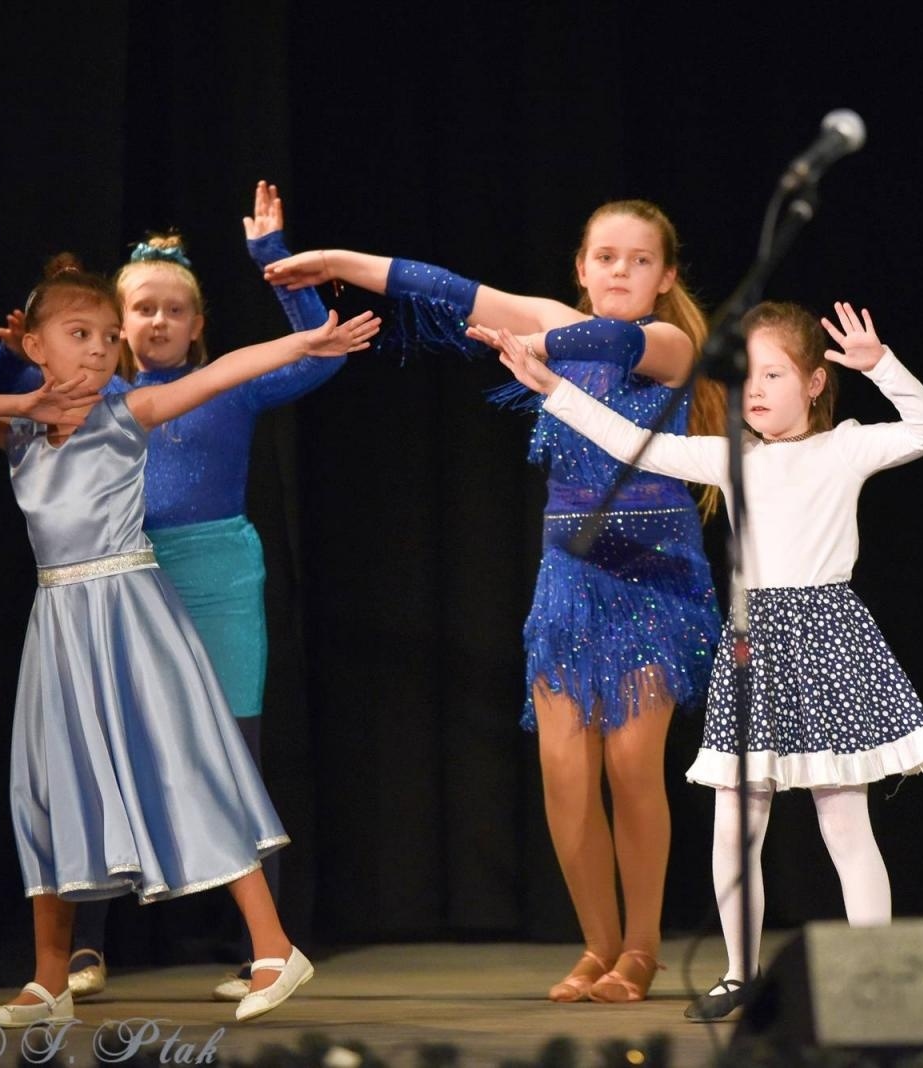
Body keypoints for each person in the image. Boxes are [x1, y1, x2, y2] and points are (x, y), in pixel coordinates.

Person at [264, 199, 724, 1002]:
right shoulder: (550, 318)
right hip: (572, 578)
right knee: (563, 769)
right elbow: (444, 288)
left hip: (655, 576)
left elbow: (605, 341)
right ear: (580, 268)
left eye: (639, 260)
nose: (620, 272)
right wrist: (337, 262)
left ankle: (643, 949)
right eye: (605, 258)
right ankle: (599, 945)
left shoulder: (670, 341)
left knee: (629, 763)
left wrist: (532, 343)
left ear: (666, 276)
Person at [485, 299, 923, 1022]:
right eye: (746, 377)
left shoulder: (845, 447)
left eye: (774, 374)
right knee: (735, 821)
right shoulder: (731, 456)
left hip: (826, 634)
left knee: (844, 822)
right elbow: (634, 442)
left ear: (816, 382)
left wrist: (881, 365)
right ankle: (739, 973)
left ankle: (877, 977)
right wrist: (553, 389)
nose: (756, 391)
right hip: (754, 643)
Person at [0, 256, 379, 1026]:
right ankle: (51, 980)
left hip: (134, 610)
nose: (98, 348)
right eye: (77, 333)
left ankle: (276, 946)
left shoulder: (130, 414)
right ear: (37, 347)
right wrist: (22, 384)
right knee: (50, 788)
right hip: (60, 626)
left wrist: (300, 343)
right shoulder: (20, 432)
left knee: (193, 763)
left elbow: (224, 376)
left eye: (106, 337)